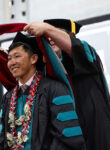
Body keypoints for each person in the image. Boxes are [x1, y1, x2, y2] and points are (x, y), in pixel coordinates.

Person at [23, 19, 110, 150]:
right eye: (47, 37)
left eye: (56, 34)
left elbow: (74, 47)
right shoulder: (47, 72)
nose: (51, 38)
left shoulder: (88, 53)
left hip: (96, 133)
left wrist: (47, 29)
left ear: (70, 35)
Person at [0, 31, 86, 150]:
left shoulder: (55, 89)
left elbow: (68, 139)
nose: (12, 62)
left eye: (17, 56)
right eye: (9, 58)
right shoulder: (8, 97)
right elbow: (1, 140)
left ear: (33, 59)